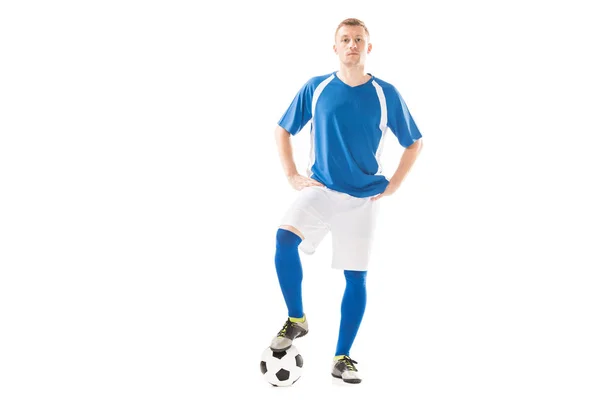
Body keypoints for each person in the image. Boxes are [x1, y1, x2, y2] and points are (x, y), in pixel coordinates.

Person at [269, 17, 423, 384]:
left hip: (362, 199)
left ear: (368, 48)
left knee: (356, 278)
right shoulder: (317, 87)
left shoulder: (386, 93)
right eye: (345, 39)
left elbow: (414, 142)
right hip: (320, 188)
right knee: (284, 239)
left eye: (358, 39)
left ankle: (343, 357)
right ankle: (296, 319)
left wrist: (395, 183)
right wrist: (292, 174)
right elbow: (283, 129)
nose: (351, 45)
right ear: (335, 48)